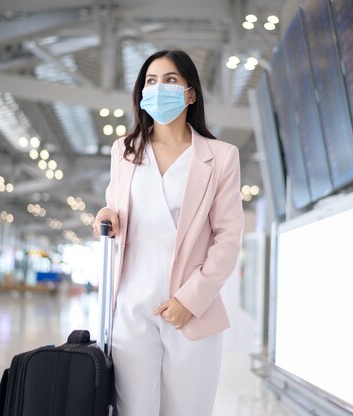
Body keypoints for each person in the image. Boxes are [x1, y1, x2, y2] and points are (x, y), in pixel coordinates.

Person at [92, 50, 244, 416]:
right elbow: (118, 208)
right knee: (133, 409)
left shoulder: (220, 156)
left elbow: (228, 236)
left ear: (191, 94)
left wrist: (190, 301)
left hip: (192, 303)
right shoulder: (124, 151)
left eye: (170, 80)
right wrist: (106, 213)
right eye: (151, 81)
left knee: (187, 409)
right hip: (130, 299)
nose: (159, 88)